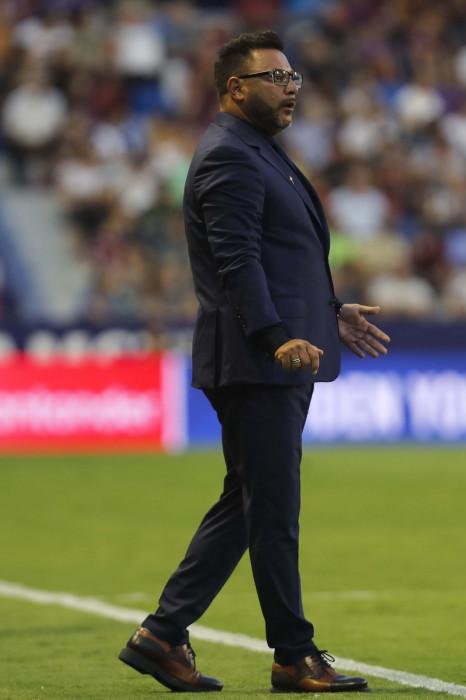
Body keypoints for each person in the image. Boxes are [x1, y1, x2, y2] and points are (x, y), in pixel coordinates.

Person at [118, 31, 390, 693]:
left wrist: (328, 313)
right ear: (235, 88)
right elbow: (236, 263)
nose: (290, 85)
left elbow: (278, 258)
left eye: (293, 75)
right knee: (271, 509)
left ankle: (161, 634)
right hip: (256, 359)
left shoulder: (255, 151)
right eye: (273, 76)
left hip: (274, 352)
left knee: (248, 503)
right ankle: (293, 655)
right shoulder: (229, 158)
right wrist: (274, 336)